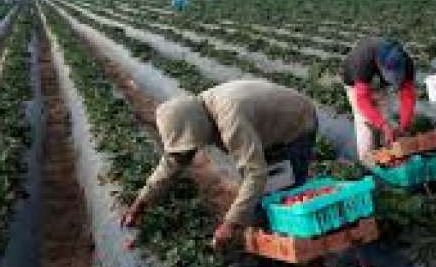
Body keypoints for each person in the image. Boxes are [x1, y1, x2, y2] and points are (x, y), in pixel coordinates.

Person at [120, 80, 318, 249]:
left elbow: (256, 173)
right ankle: (271, 242)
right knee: (264, 198)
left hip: (296, 124)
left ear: (196, 127)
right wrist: (140, 203)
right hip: (266, 130)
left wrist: (230, 223)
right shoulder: (198, 111)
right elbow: (173, 161)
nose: (189, 152)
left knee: (286, 198)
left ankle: (304, 249)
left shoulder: (230, 119)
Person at [341, 37, 416, 162]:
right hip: (355, 85)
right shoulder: (363, 61)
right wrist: (382, 125)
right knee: (365, 124)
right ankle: (367, 162)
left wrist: (403, 125)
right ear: (380, 65)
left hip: (380, 86)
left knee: (386, 117)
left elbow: (408, 96)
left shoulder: (407, 63)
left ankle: (386, 156)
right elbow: (362, 101)